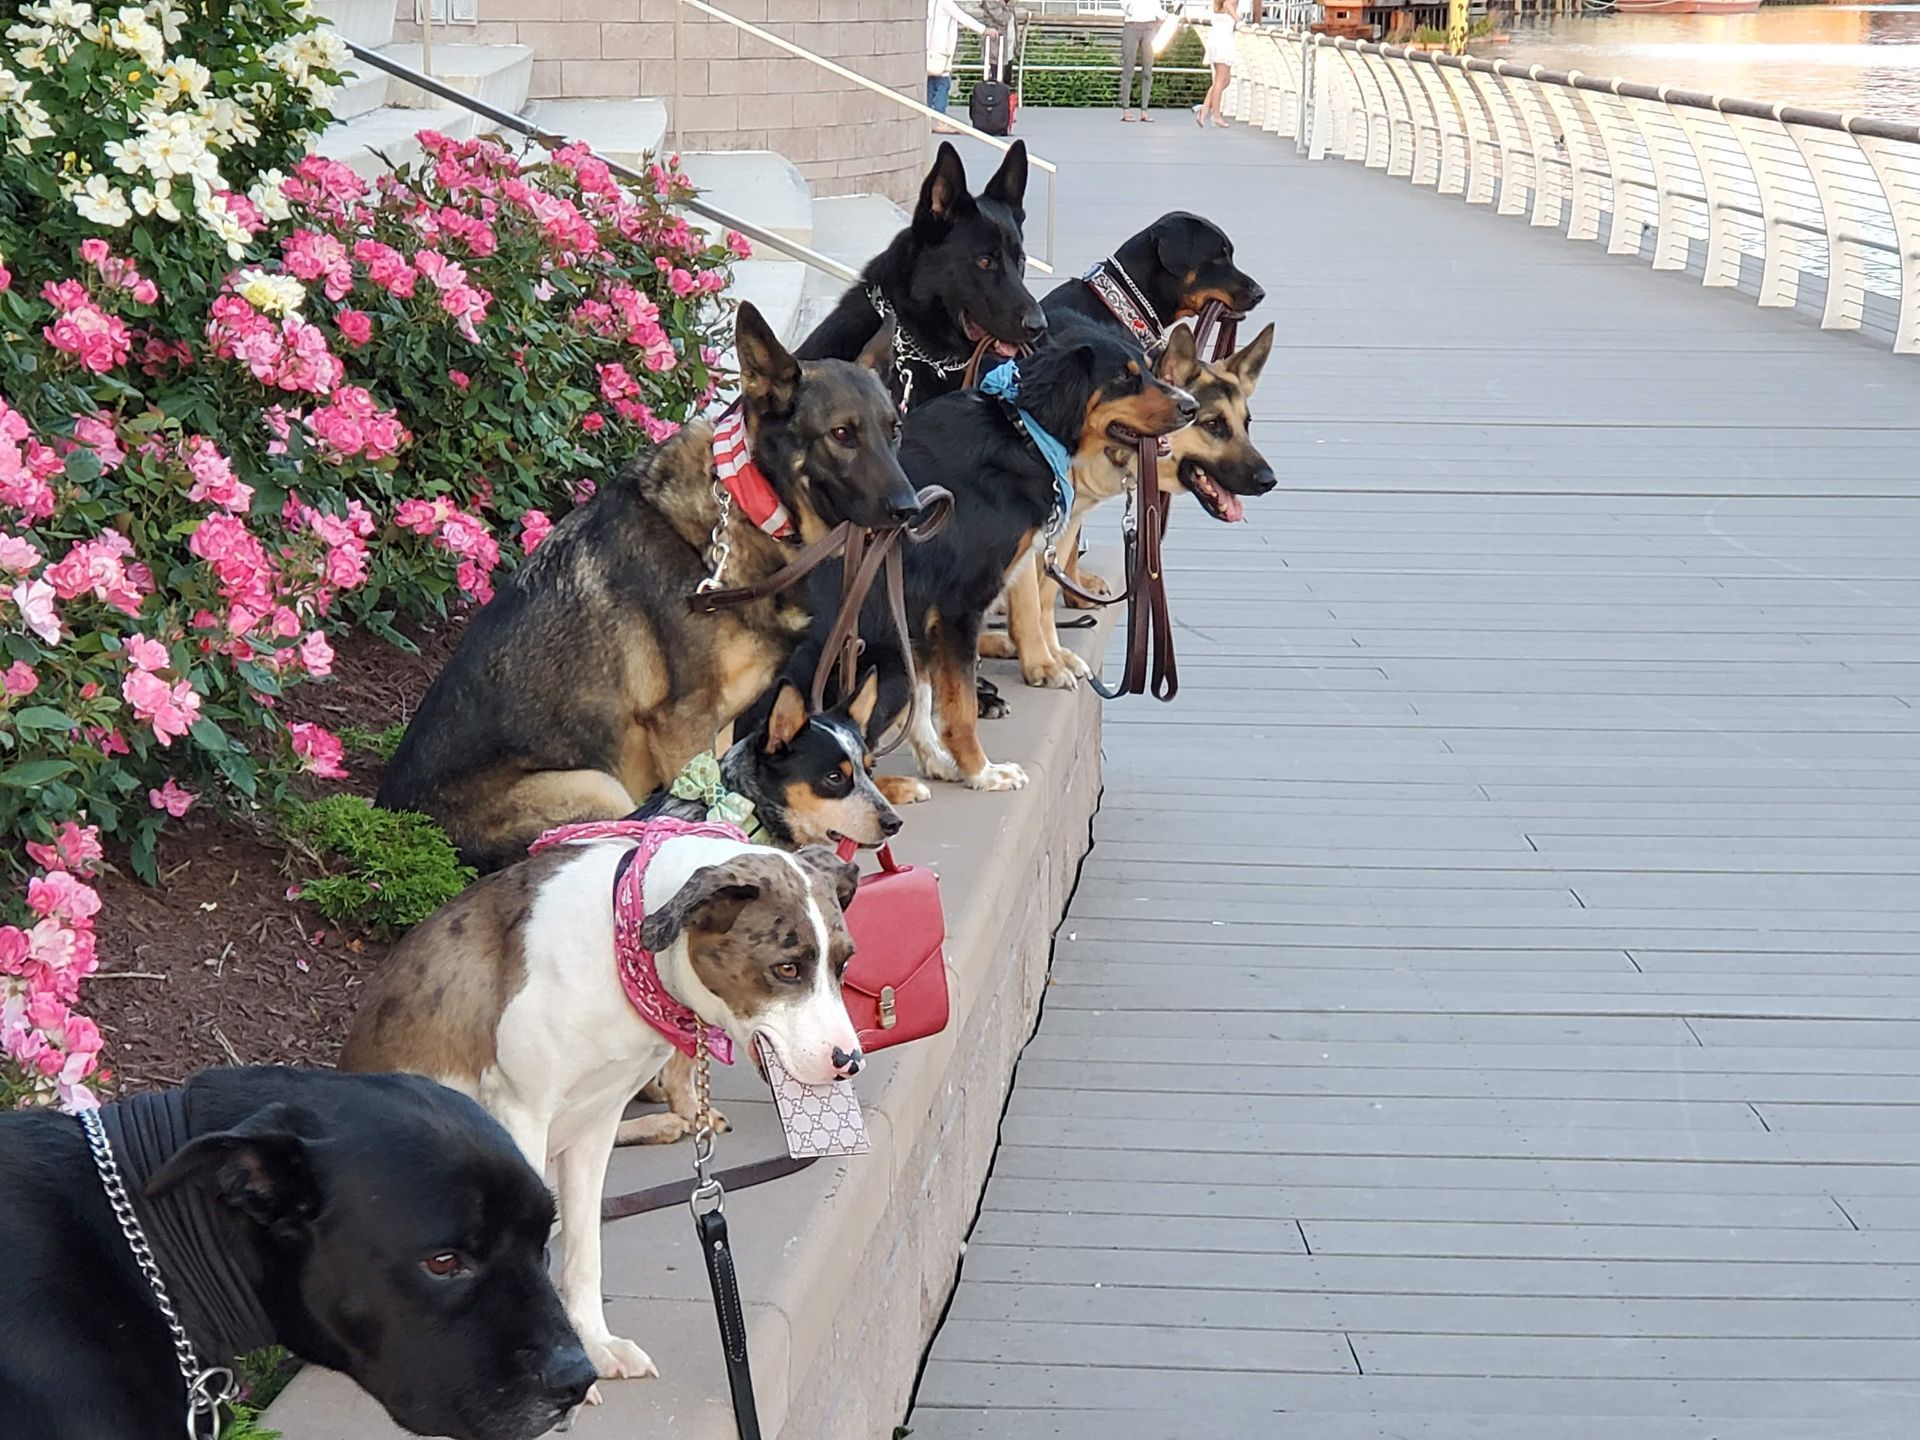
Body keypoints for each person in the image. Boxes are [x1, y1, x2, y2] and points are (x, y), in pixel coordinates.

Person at [928, 0, 991, 135]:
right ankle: (940, 121)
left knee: (930, 85)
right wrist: (984, 30)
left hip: (928, 50)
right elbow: (963, 17)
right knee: (942, 84)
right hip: (940, 51)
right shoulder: (945, 3)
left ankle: (926, 118)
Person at [1117, 0, 1163, 123]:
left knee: (1147, 71)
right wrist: (1131, 9)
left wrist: (1161, 16)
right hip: (1132, 25)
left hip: (1150, 27)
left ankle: (1144, 111)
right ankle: (1126, 109)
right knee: (1128, 69)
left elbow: (1157, 6)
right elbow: (1124, 4)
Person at [1194, 0, 1237, 129]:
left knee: (1225, 80)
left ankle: (1204, 109)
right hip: (1223, 42)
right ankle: (1216, 115)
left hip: (1216, 40)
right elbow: (1228, 4)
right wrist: (1237, 19)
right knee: (1220, 80)